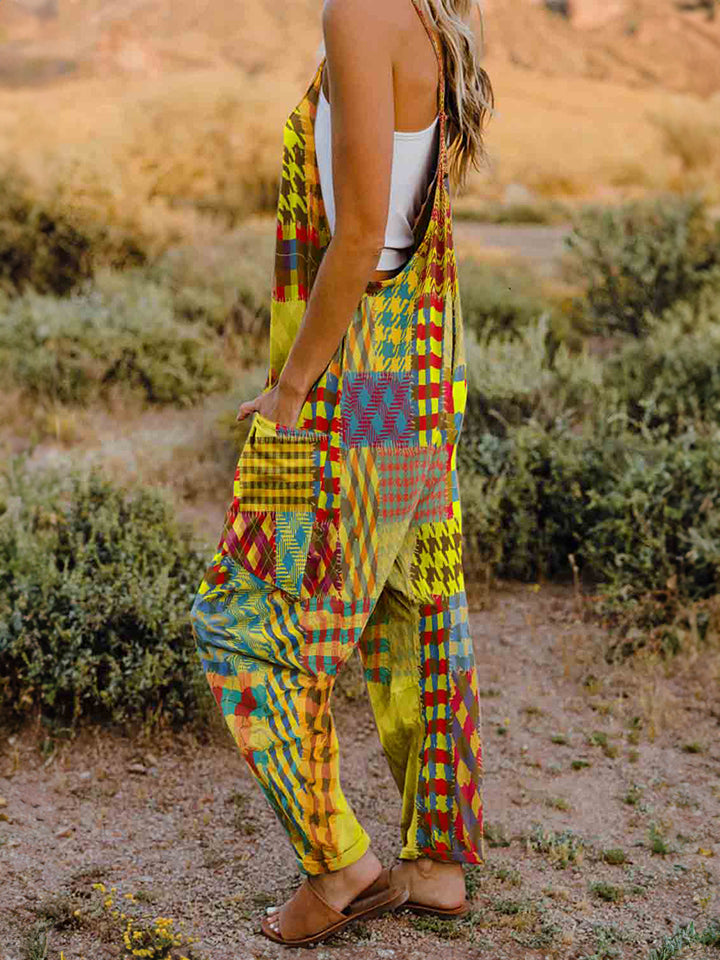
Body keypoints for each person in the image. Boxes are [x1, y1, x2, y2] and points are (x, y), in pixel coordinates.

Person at [190, 0, 494, 947]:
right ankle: (437, 863)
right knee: (417, 612)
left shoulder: (359, 9)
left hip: (354, 385)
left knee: (238, 627)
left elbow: (360, 234)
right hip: (415, 373)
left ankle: (341, 866)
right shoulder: (428, 12)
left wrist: (289, 392)